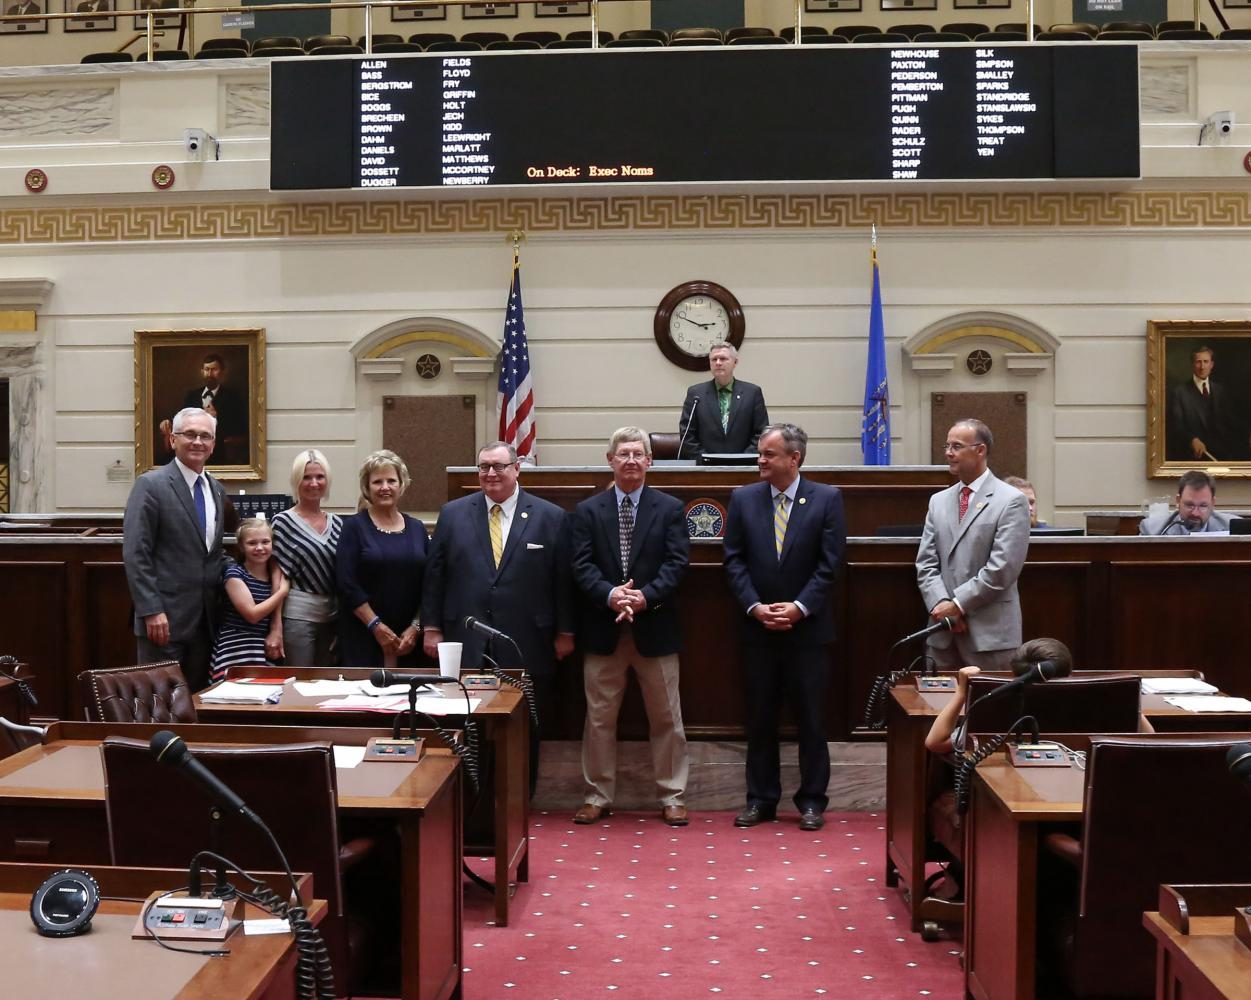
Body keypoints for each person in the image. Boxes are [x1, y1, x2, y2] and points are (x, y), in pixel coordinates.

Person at [421, 440, 574, 790]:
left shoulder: (550, 517)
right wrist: (431, 627)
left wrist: (566, 631)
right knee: (468, 722)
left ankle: (521, 798)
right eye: (484, 467)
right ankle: (471, 799)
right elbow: (435, 576)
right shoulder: (454, 513)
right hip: (467, 639)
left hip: (527, 641)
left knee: (524, 725)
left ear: (517, 468)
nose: (490, 473)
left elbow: (562, 581)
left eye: (499, 466)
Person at [723, 422, 847, 831]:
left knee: (812, 718)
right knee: (760, 719)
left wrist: (798, 607)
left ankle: (812, 801)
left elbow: (830, 565)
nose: (760, 460)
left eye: (768, 454)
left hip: (807, 632)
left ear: (794, 458)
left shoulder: (827, 499)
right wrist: (755, 607)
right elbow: (734, 560)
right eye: (760, 452)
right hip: (757, 631)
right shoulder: (743, 499)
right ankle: (761, 799)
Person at [569, 427, 691, 827]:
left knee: (666, 718)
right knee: (599, 719)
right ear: (611, 461)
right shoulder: (588, 511)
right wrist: (611, 596)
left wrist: (644, 597)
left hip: (654, 629)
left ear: (650, 462)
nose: (632, 461)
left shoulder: (670, 508)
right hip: (604, 631)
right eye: (623, 454)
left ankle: (672, 795)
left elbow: (677, 564)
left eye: (639, 454)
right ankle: (597, 795)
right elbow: (581, 565)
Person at [122, 406, 227, 690]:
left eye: (205, 436)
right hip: (163, 621)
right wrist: (151, 610)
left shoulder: (215, 489)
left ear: (213, 445)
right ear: (172, 439)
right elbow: (136, 553)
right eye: (189, 434)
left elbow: (213, 553)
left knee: (194, 704)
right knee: (159, 704)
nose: (197, 442)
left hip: (204, 622)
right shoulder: (151, 485)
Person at [916, 419, 1031, 671]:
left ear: (980, 450)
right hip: (942, 634)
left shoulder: (1011, 501)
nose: (948, 453)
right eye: (947, 446)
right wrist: (941, 607)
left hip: (990, 636)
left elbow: (1003, 569)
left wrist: (957, 605)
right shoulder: (939, 501)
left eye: (956, 446)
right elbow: (926, 563)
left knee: (992, 710)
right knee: (935, 708)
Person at [336, 450, 427, 669]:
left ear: (401, 484)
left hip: (411, 638)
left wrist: (416, 627)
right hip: (363, 634)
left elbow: (431, 583)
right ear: (367, 488)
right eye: (377, 481)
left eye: (391, 481)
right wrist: (375, 626)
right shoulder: (353, 527)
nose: (385, 487)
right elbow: (346, 583)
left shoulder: (417, 528)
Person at [271, 449, 342, 666]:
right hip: (297, 618)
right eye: (306, 477)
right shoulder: (282, 522)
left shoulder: (338, 524)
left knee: (326, 685)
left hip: (332, 618)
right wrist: (276, 627)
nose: (314, 483)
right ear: (296, 481)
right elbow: (277, 578)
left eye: (319, 477)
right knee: (300, 683)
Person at [210, 518, 289, 682]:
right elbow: (252, 614)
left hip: (263, 646)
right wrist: (282, 592)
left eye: (265, 542)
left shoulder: (275, 573)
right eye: (252, 543)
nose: (260, 548)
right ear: (241, 547)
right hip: (236, 647)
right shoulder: (235, 574)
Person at [677, 342, 769, 460]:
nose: (718, 363)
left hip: (744, 465)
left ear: (735, 362)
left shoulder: (752, 393)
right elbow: (687, 434)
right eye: (714, 359)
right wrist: (705, 458)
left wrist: (744, 458)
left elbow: (761, 433)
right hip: (705, 467)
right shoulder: (696, 394)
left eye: (723, 359)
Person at [1167, 344, 1250, 462]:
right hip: (1195, 456)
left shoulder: (1220, 390)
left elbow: (1231, 420)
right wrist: (1192, 440)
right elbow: (1176, 426)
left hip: (1222, 456)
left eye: (1206, 362)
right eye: (1198, 362)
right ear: (1192, 364)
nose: (1202, 367)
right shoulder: (1179, 393)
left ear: (1212, 365)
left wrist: (1247, 434)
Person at [180, 353, 248, 466]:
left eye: (214, 369)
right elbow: (182, 420)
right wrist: (168, 422)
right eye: (207, 369)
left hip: (221, 453)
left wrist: (216, 417)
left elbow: (240, 428)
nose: (209, 374)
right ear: (202, 371)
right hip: (192, 452)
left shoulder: (233, 397)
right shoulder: (192, 395)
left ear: (222, 372)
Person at [1138, 469, 1233, 535]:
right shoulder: (1152, 530)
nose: (1195, 513)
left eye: (1203, 506)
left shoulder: (1232, 527)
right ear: (1178, 501)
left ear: (1212, 503)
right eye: (1189, 505)